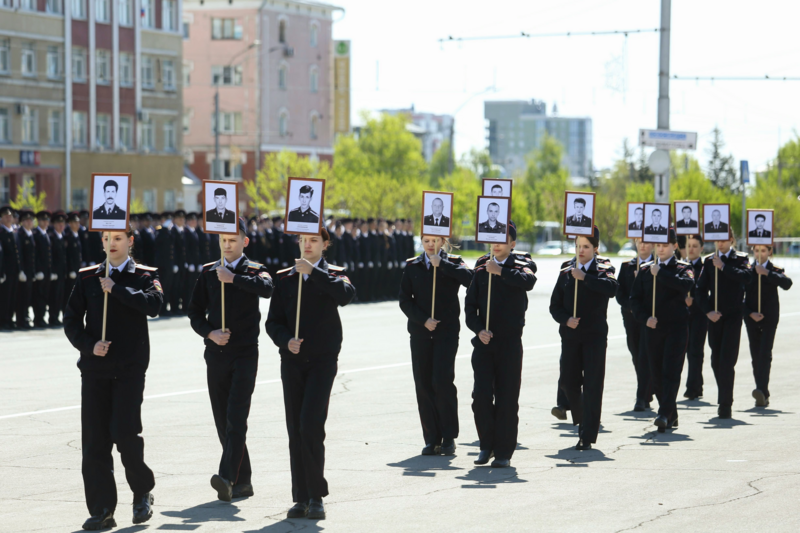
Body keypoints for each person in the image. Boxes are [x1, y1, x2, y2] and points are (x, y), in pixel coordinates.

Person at [63, 226, 163, 530]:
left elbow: (154, 305)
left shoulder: (145, 276)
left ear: (130, 241)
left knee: (125, 433)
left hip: (129, 369)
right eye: (107, 238)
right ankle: (102, 509)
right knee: (95, 441)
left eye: (118, 238)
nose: (112, 243)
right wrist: (89, 345)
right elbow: (70, 320)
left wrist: (116, 288)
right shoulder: (87, 277)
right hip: (96, 369)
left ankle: (142, 491)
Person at [265, 227, 355, 520]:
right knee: (295, 429)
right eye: (303, 240)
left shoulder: (334, 274)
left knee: (311, 425)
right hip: (292, 361)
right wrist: (285, 340)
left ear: (325, 244)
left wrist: (314, 273)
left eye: (314, 240)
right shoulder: (285, 278)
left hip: (322, 362)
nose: (307, 244)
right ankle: (301, 497)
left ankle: (316, 496)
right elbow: (273, 322)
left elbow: (346, 295)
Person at [188, 217, 274, 502]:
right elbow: (194, 313)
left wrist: (234, 278)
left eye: (233, 240)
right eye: (223, 240)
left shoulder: (255, 269)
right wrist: (210, 333)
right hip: (216, 354)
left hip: (245, 353)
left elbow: (267, 288)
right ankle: (243, 481)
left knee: (236, 418)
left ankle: (226, 477)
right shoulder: (208, 272)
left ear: (245, 242)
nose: (227, 245)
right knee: (223, 420)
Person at [465, 221, 536, 466]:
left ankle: (504, 452)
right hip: (484, 344)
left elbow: (528, 282)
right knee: (481, 397)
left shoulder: (521, 264)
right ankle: (486, 446)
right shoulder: (481, 268)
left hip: (509, 344)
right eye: (493, 239)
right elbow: (470, 307)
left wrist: (501, 272)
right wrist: (478, 329)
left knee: (507, 399)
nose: (496, 244)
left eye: (503, 240)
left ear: (512, 244)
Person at [399, 234, 472, 456]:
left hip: (446, 333)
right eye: (426, 241)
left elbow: (471, 280)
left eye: (435, 241)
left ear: (443, 241)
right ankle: (432, 438)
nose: (430, 245)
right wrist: (423, 320)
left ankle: (448, 437)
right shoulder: (413, 266)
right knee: (423, 384)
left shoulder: (454, 262)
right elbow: (405, 300)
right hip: (421, 333)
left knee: (442, 381)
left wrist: (443, 265)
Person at [549, 227, 617, 450]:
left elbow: (612, 289)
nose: (581, 250)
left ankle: (586, 435)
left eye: (586, 246)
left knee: (592, 385)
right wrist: (566, 319)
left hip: (594, 337)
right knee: (568, 382)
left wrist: (586, 277)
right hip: (570, 336)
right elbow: (555, 305)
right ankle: (581, 417)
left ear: (595, 248)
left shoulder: (604, 269)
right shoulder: (566, 270)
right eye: (578, 246)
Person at [630, 229, 694, 433]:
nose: (661, 249)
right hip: (653, 328)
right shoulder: (645, 270)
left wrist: (662, 273)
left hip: (676, 328)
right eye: (658, 245)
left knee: (671, 371)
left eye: (665, 245)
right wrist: (644, 318)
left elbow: (686, 284)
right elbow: (634, 300)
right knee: (656, 373)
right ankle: (671, 413)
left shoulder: (683, 267)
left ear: (674, 246)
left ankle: (664, 414)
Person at [695, 231, 751, 418]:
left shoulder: (741, 259)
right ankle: (725, 393)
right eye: (717, 239)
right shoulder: (709, 261)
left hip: (733, 316)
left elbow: (747, 277)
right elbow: (700, 290)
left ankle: (725, 404)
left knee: (727, 361)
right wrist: (707, 312)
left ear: (732, 240)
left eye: (724, 239)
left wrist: (724, 267)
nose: (720, 243)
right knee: (716, 360)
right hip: (715, 316)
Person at [744, 244, 792, 407]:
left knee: (765, 353)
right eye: (756, 250)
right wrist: (749, 313)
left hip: (769, 318)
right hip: (751, 317)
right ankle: (762, 392)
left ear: (770, 252)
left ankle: (761, 390)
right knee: (755, 355)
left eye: (763, 250)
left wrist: (766, 273)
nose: (760, 254)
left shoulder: (775, 269)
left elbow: (787, 283)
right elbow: (737, 296)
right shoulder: (747, 270)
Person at [615, 238, 654, 411]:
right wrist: (631, 307)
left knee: (646, 355)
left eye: (646, 242)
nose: (643, 245)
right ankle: (647, 390)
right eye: (639, 242)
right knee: (636, 354)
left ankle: (641, 396)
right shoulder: (627, 266)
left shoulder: (656, 266)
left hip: (649, 317)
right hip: (631, 317)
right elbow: (619, 292)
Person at [680, 235, 708, 400]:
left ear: (701, 248)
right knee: (683, 351)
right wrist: (684, 298)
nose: (691, 249)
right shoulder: (681, 266)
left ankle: (692, 387)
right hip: (682, 315)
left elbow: (707, 291)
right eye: (689, 245)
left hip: (699, 314)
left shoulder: (705, 267)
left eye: (695, 246)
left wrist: (694, 301)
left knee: (695, 351)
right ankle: (697, 384)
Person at [0, 205, 22, 330]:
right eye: (6, 216)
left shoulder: (15, 232)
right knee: (5, 297)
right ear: (2, 218)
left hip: (15, 271)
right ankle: (3, 320)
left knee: (13, 296)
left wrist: (20, 269)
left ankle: (9, 318)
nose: (8, 218)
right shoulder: (1, 233)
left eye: (10, 216)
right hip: (5, 272)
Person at [16, 209, 36, 329]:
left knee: (28, 297)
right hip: (23, 271)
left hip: (30, 271)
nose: (29, 222)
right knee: (22, 297)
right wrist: (21, 270)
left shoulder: (30, 234)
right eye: (26, 220)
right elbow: (20, 254)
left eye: (30, 220)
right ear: (22, 222)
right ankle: (21, 320)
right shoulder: (20, 234)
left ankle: (25, 317)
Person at [32, 210, 53, 328]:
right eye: (43, 220)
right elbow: (36, 254)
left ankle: (42, 317)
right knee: (38, 296)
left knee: (45, 295)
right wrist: (38, 270)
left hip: (47, 271)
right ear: (39, 221)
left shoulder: (46, 234)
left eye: (47, 220)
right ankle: (38, 318)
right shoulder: (36, 234)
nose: (45, 222)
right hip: (40, 271)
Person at [48, 211, 68, 326]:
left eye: (63, 223)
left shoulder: (63, 236)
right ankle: (53, 317)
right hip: (55, 272)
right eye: (58, 223)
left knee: (60, 296)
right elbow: (50, 256)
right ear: (54, 224)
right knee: (54, 296)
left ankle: (57, 317)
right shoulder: (52, 237)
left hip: (62, 272)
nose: (61, 225)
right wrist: (52, 271)